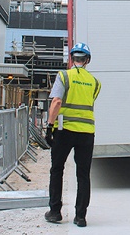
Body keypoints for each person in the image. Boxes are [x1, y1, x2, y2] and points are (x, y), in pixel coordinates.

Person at [44, 42, 101, 227]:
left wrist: (49, 127)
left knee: (57, 169)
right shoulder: (95, 82)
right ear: (87, 60)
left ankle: (54, 212)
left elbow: (57, 102)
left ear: (71, 58)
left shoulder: (64, 76)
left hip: (64, 131)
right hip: (86, 133)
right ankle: (81, 217)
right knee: (83, 174)